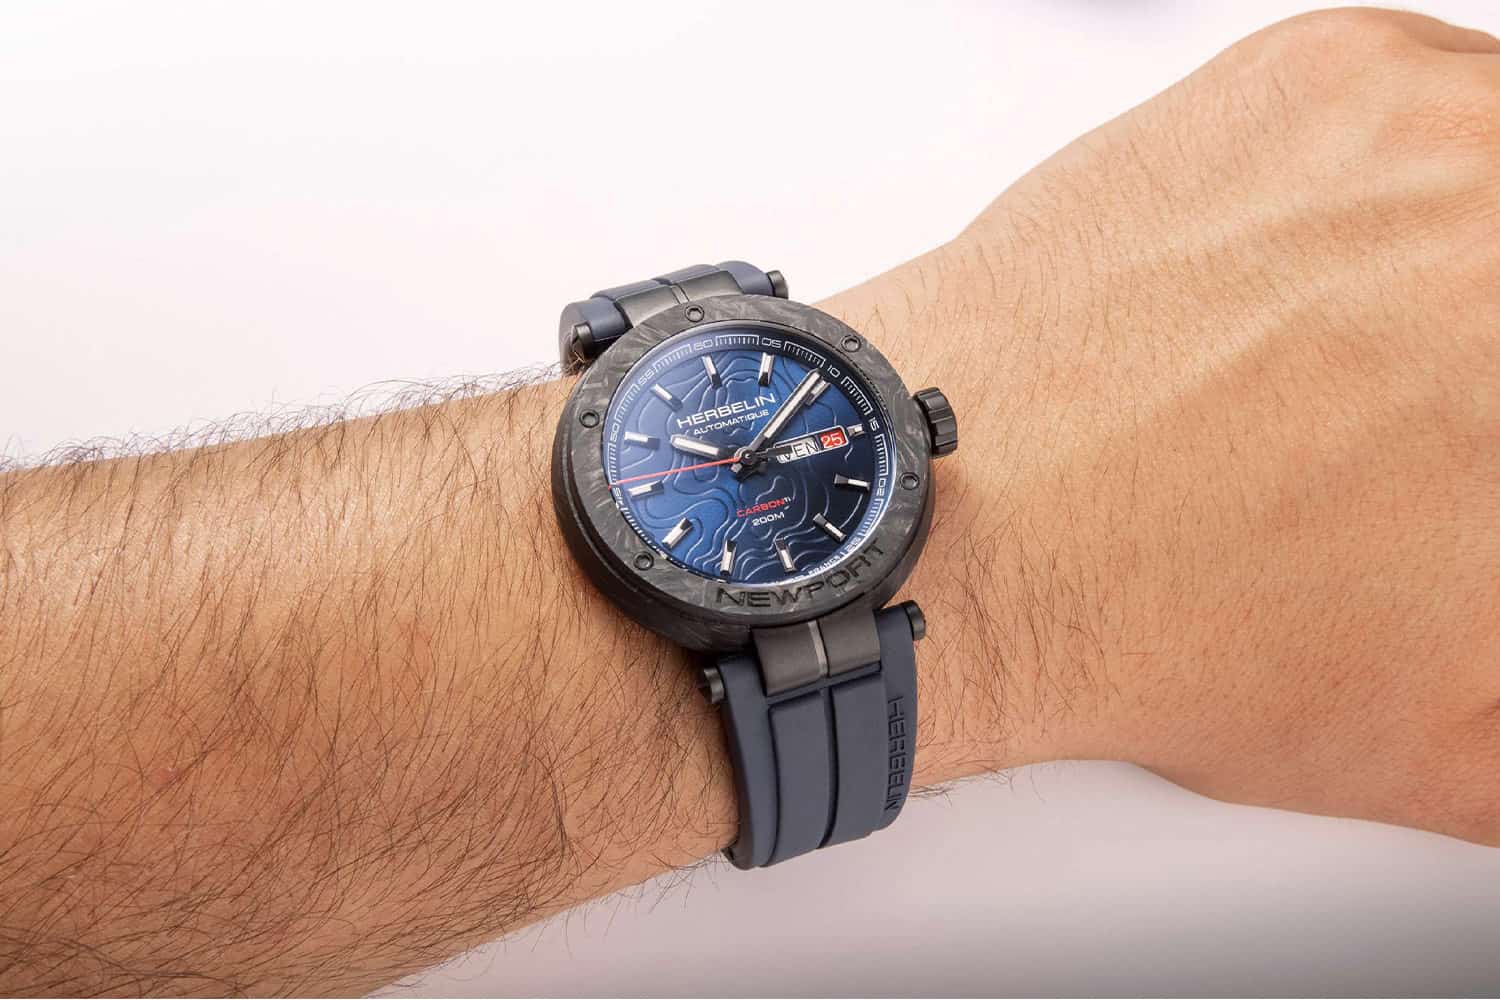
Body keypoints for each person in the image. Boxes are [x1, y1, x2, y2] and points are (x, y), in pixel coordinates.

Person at [3, 8, 1499, 995]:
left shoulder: (843, 437)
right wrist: (1030, 581)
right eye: (698, 462)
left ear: (913, 429)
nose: (731, 467)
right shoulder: (668, 454)